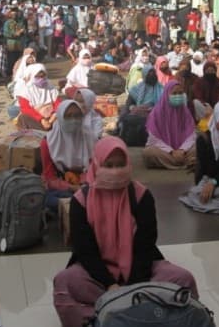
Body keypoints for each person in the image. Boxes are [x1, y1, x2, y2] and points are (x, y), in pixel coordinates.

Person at [52, 137, 198, 327]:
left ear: (128, 164)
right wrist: (110, 285)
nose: (115, 171)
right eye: (109, 165)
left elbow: (145, 246)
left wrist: (133, 288)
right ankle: (100, 321)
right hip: (98, 276)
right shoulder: (82, 201)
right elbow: (85, 250)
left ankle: (129, 315)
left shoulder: (141, 196)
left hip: (141, 273)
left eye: (120, 165)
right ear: (96, 164)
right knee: (64, 282)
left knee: (183, 279)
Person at [40, 101, 97, 212]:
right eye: (69, 116)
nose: (74, 120)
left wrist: (84, 184)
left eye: (77, 116)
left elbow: (94, 167)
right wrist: (73, 187)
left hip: (87, 184)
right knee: (48, 199)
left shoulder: (90, 137)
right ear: (60, 117)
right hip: (61, 186)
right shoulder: (48, 142)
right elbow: (50, 177)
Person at [143, 81, 196, 170]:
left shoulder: (185, 112)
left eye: (180, 93)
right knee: (148, 153)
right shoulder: (156, 113)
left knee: (198, 148)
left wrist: (182, 150)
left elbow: (191, 135)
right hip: (165, 151)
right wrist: (171, 151)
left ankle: (175, 162)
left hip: (183, 151)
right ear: (166, 94)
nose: (178, 96)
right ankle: (185, 162)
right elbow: (154, 139)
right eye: (174, 93)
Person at [16, 64, 60, 131]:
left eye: (43, 76)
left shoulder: (50, 86)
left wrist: (54, 115)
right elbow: (26, 108)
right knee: (23, 118)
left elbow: (58, 102)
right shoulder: (26, 90)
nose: (41, 79)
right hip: (37, 119)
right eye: (38, 77)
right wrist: (41, 119)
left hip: (52, 118)